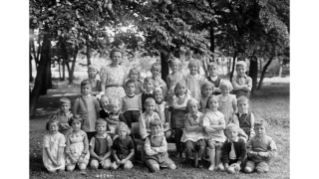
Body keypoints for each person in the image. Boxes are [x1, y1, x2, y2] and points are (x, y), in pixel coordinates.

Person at [203, 95, 226, 171]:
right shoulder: (207, 115)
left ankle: (218, 163)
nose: (213, 104)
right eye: (211, 103)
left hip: (220, 136)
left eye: (215, 102)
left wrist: (212, 126)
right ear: (208, 104)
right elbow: (206, 129)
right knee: (211, 144)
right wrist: (217, 127)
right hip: (210, 136)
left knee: (219, 145)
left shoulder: (220, 115)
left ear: (218, 104)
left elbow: (223, 126)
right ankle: (212, 164)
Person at [181, 98, 206, 168]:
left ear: (198, 106)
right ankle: (190, 158)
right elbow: (187, 129)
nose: (192, 109)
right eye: (190, 107)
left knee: (202, 146)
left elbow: (201, 128)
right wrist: (197, 126)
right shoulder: (186, 116)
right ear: (188, 108)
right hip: (189, 135)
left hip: (199, 135)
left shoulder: (201, 115)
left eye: (194, 107)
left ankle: (199, 159)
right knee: (189, 148)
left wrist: (193, 127)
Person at [170, 82, 192, 157]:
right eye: (179, 88)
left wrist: (181, 107)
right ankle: (178, 150)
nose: (181, 90)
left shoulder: (188, 97)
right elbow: (174, 106)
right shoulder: (174, 97)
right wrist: (183, 107)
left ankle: (183, 151)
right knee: (177, 134)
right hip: (176, 118)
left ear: (186, 89)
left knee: (184, 134)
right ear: (176, 89)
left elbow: (188, 106)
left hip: (185, 118)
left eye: (183, 88)